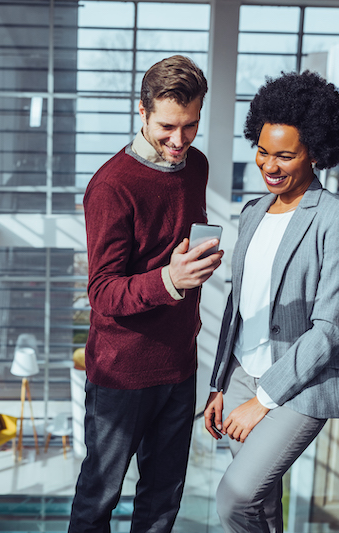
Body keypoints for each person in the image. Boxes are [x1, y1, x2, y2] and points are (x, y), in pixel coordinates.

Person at [204, 71, 339, 533]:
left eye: (284, 155)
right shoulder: (253, 211)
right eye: (261, 151)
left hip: (298, 385)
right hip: (240, 376)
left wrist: (264, 398)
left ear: (315, 152)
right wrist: (220, 385)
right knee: (261, 504)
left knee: (235, 498)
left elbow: (331, 329)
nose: (268, 166)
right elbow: (238, 306)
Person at [69, 55, 222, 533]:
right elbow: (103, 292)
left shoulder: (196, 165)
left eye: (191, 126)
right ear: (142, 112)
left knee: (163, 501)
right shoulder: (111, 186)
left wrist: (193, 267)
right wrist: (171, 280)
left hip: (178, 365)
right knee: (100, 497)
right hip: (121, 372)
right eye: (167, 127)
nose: (179, 141)